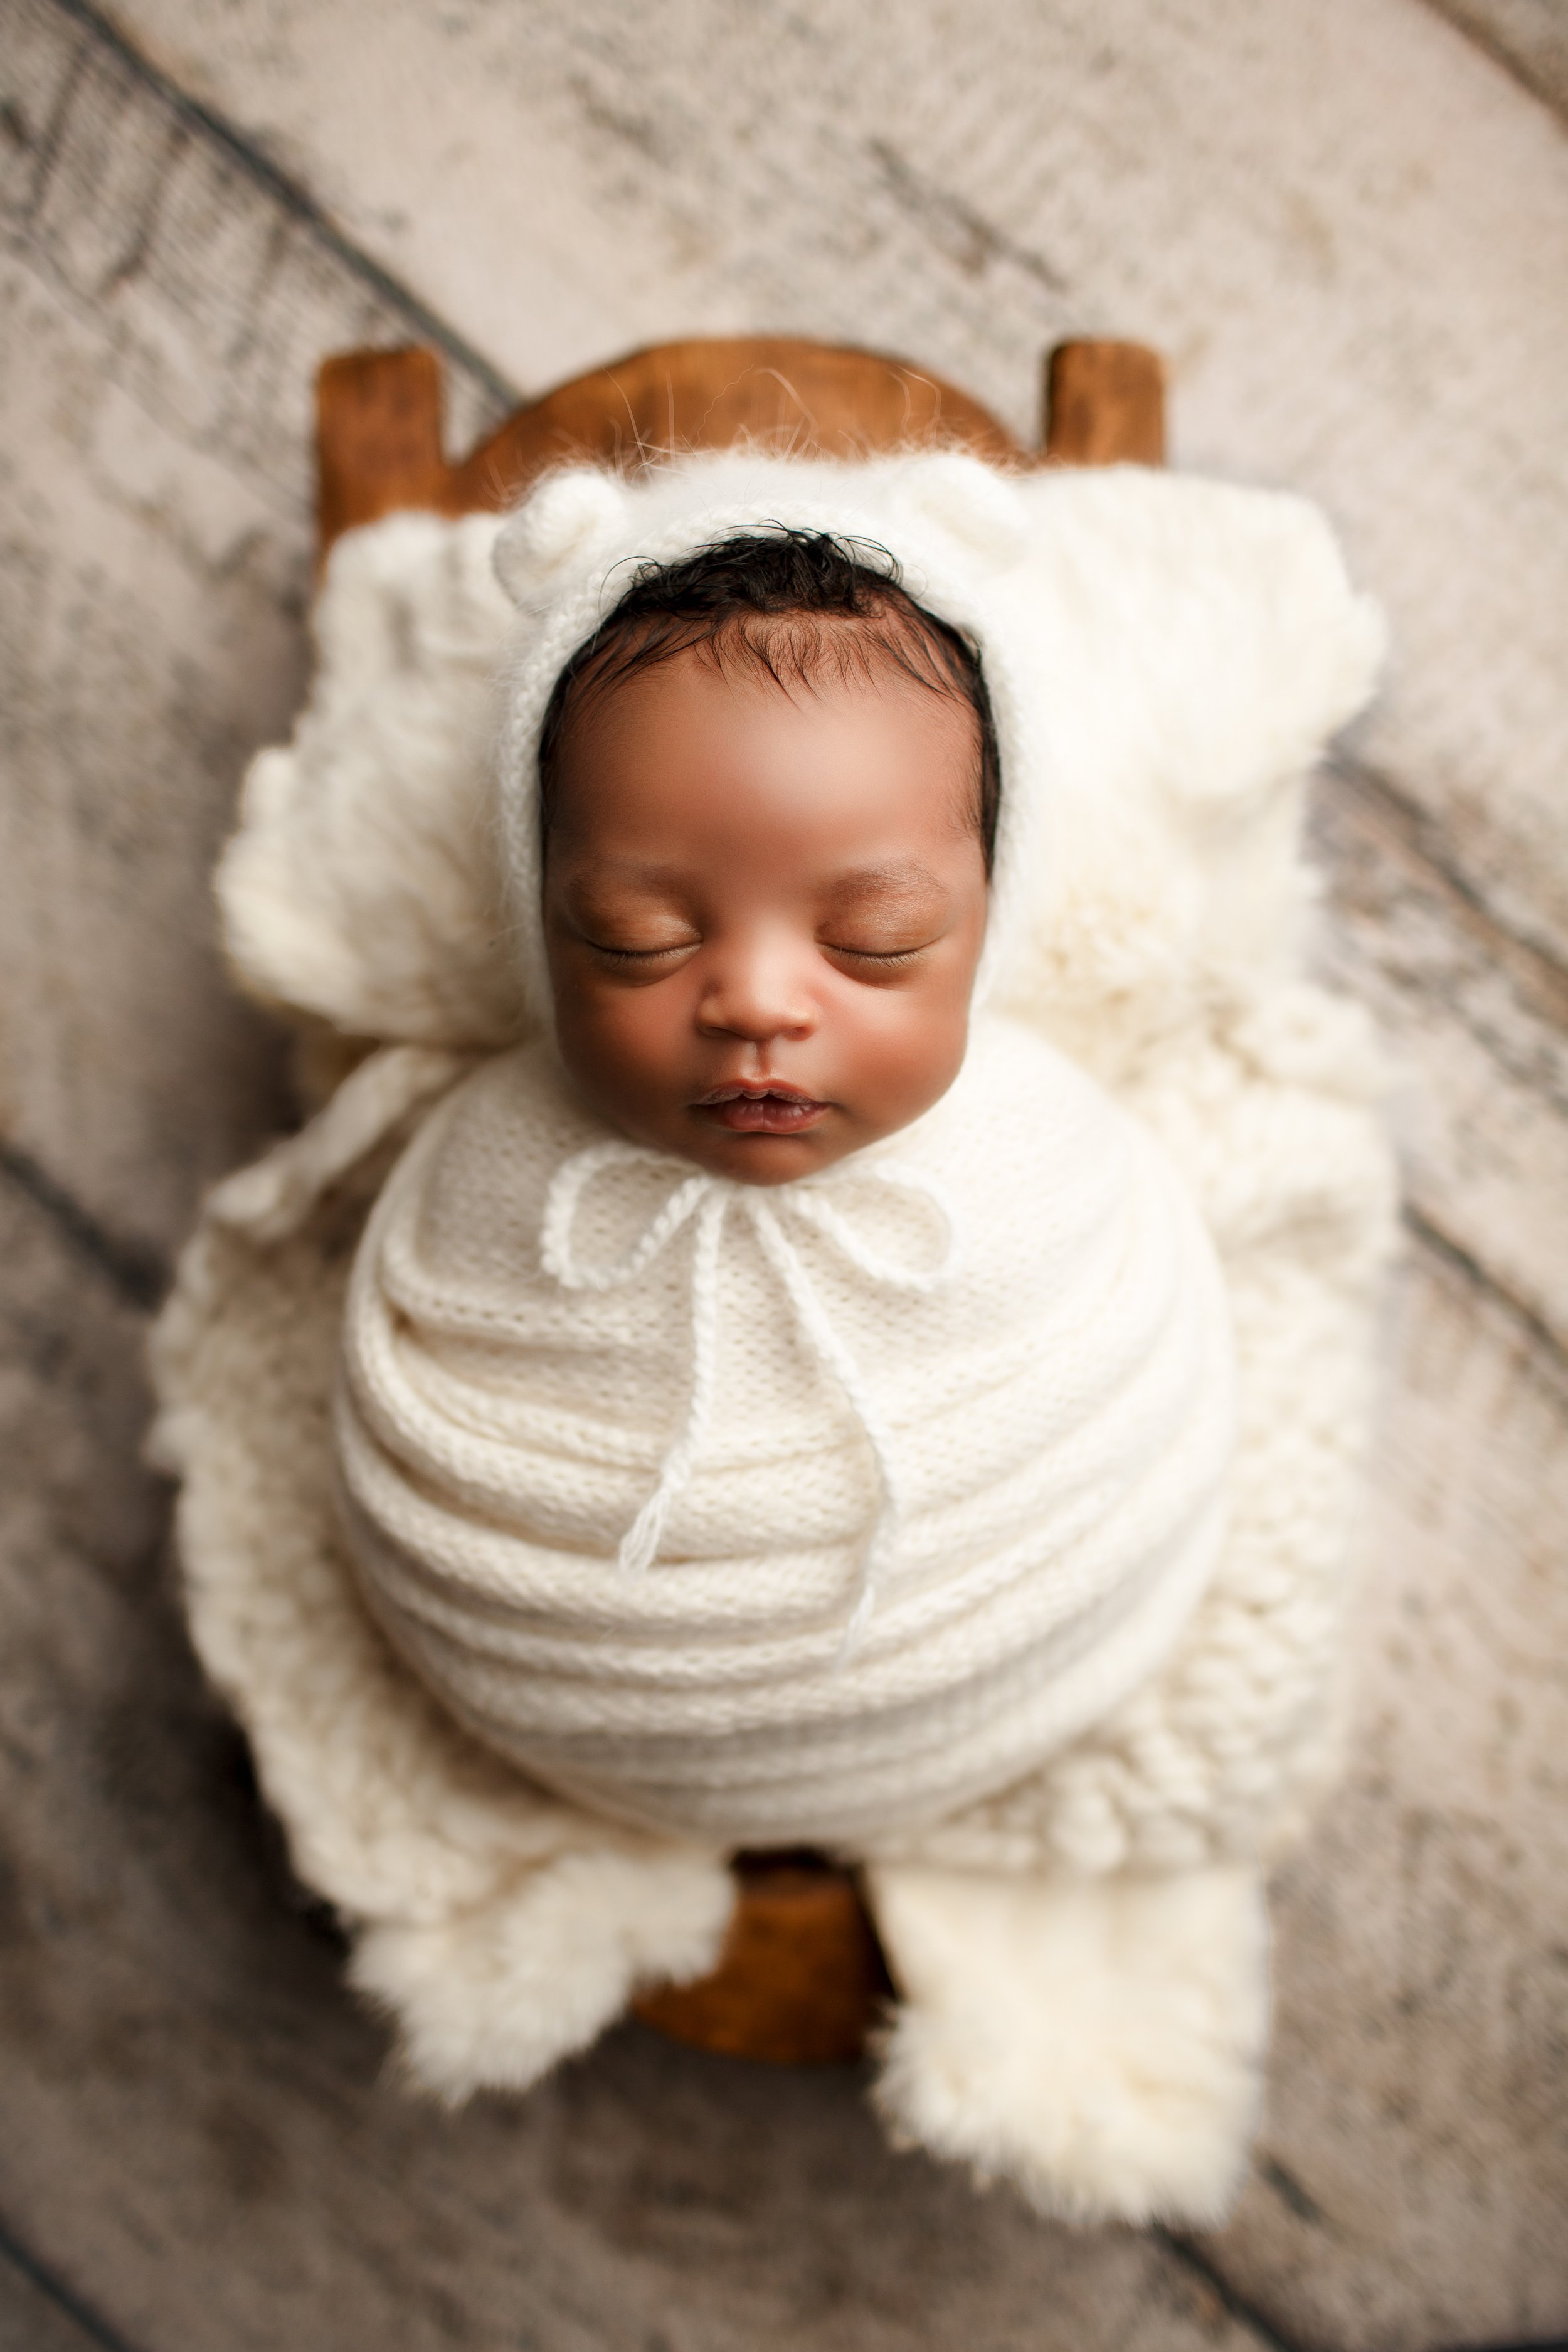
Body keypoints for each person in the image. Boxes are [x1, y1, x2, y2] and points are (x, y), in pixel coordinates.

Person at [154, 448, 1395, 2223]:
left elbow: (1155, 1399)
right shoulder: (462, 1189)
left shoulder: (1068, 1170)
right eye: (638, 932)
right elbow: (396, 1437)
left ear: (991, 914)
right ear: (537, 913)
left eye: (875, 935)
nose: (751, 994)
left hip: (1045, 1659)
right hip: (559, 1720)